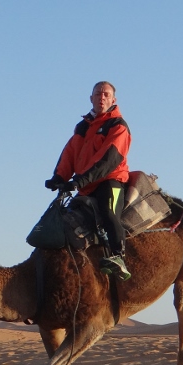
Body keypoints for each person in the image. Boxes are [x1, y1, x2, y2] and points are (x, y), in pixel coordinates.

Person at [45, 81, 133, 280]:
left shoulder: (118, 126)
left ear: (113, 100)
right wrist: (58, 177)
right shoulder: (83, 127)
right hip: (85, 186)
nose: (101, 97)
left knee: (109, 213)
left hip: (110, 180)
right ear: (91, 98)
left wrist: (80, 181)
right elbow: (70, 153)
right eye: (98, 94)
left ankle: (119, 256)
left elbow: (109, 159)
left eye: (106, 94)